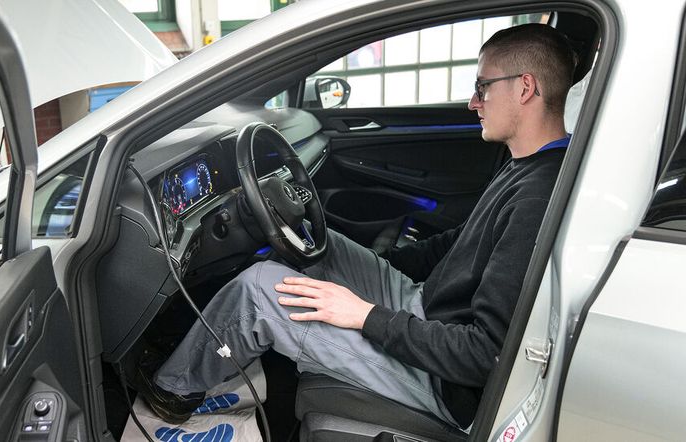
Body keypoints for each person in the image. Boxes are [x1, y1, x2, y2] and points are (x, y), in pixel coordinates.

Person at [137, 23, 577, 430]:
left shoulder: (537, 195)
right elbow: (459, 243)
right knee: (323, 247)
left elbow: (483, 355)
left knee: (259, 290)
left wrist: (364, 314)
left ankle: (172, 391)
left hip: (442, 380)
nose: (472, 102)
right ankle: (200, 348)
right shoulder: (532, 163)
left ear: (525, 87)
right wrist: (374, 270)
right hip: (426, 308)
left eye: (482, 86)